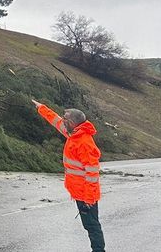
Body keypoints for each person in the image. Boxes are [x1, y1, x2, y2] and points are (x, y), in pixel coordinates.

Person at [34, 99, 104, 251]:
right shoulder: (74, 133)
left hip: (86, 195)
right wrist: (41, 108)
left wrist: (89, 199)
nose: (62, 119)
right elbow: (55, 121)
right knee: (90, 225)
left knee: (92, 226)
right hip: (80, 192)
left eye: (65, 118)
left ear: (72, 122)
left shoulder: (84, 142)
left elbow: (92, 174)